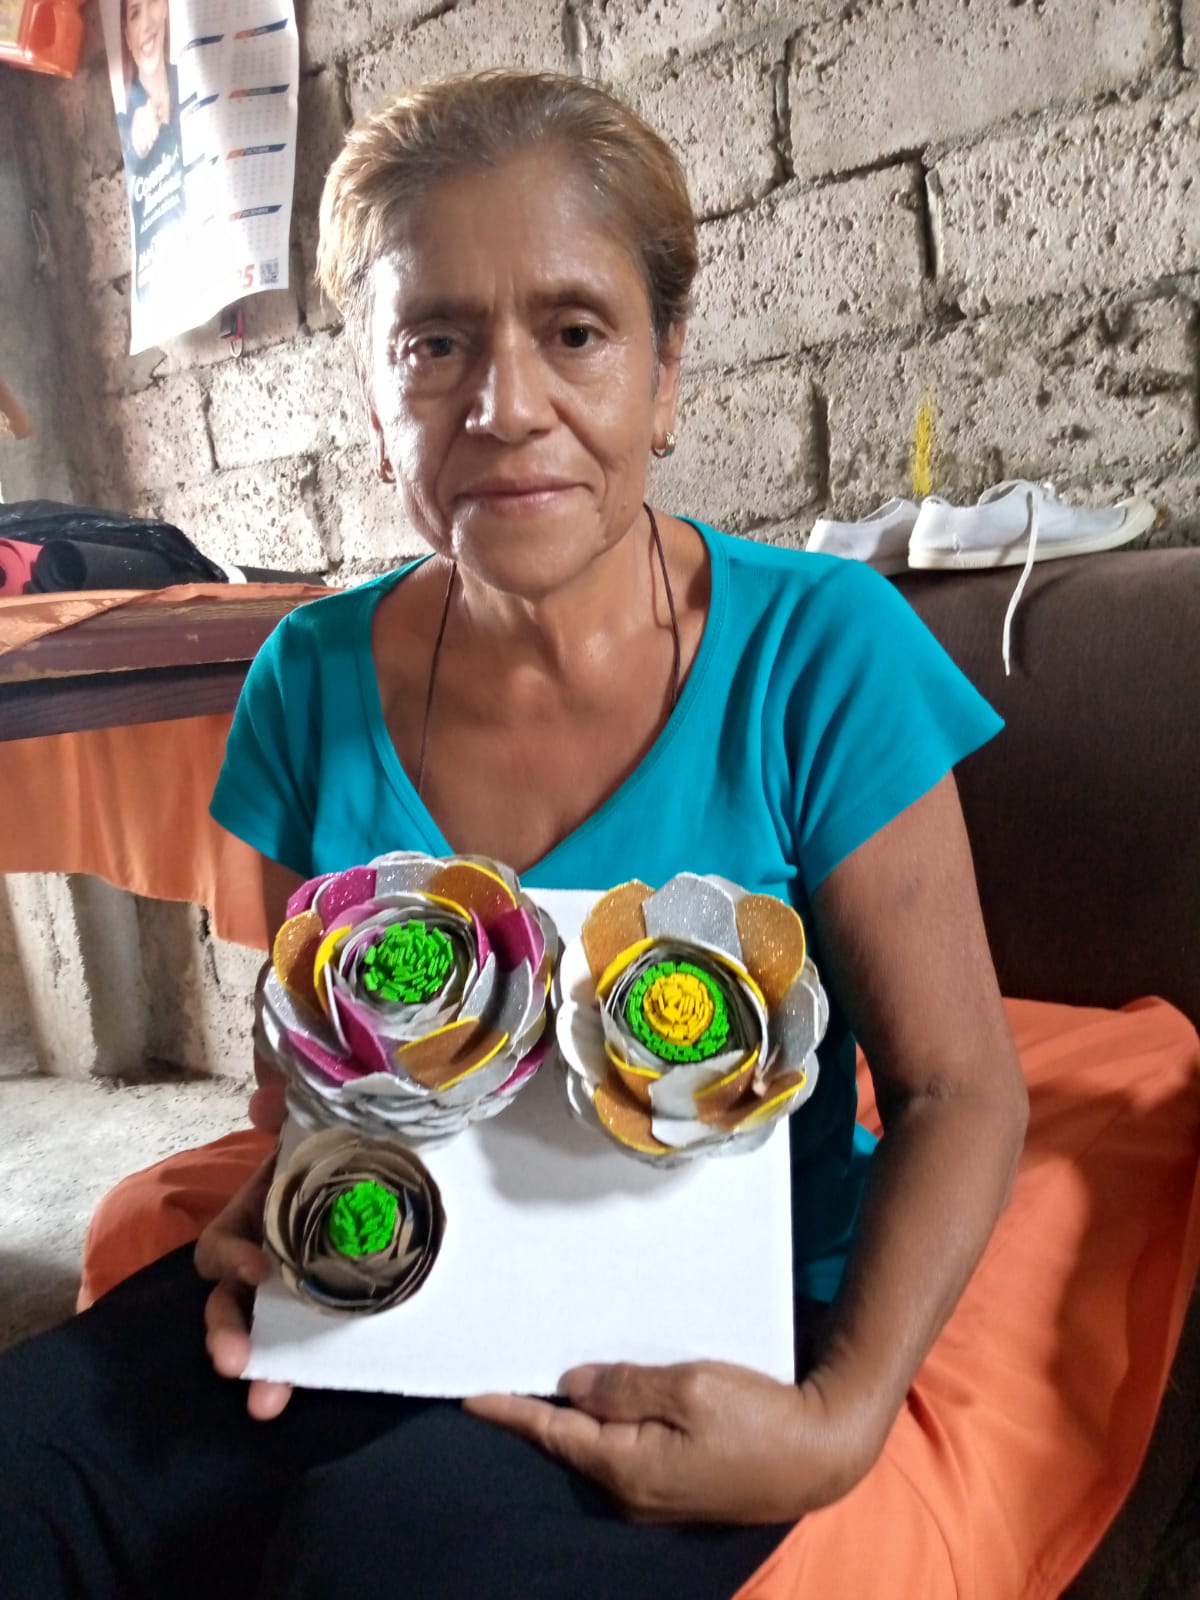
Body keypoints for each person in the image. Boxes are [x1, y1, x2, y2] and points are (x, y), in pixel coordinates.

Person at [0, 71, 1029, 1598]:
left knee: (380, 1563)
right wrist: (281, 1223)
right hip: (382, 1271)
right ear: (373, 401)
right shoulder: (307, 679)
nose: (505, 406)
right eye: (434, 344)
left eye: (575, 332)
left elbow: (958, 1090)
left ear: (665, 374)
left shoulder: (823, 650)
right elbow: (317, 1081)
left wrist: (840, 1421)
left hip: (701, 1325)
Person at [116, 0, 185, 306]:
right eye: (134, 14)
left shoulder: (188, 79)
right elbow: (132, 149)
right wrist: (136, 144)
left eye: (153, 2)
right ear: (127, 36)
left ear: (167, 7)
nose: (146, 24)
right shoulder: (128, 118)